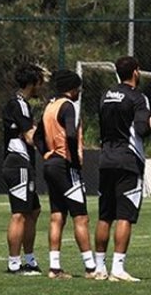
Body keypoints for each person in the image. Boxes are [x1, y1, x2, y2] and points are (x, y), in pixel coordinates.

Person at [91, 56, 151, 282]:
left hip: (105, 159)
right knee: (125, 215)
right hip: (128, 160)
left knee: (105, 215)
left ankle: (99, 268)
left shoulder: (105, 95)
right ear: (136, 72)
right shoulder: (138, 97)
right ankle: (118, 268)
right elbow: (141, 129)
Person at [40, 69, 99, 279]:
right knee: (81, 217)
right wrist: (74, 159)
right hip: (65, 165)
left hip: (50, 164)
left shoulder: (49, 106)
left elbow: (38, 135)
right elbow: (72, 135)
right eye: (79, 88)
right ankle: (91, 267)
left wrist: (45, 153)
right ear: (72, 89)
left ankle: (54, 268)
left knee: (57, 216)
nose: (80, 92)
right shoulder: (68, 106)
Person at [3, 64, 46, 276]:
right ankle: (14, 264)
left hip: (24, 164)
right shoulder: (18, 104)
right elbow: (30, 136)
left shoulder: (24, 105)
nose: (42, 85)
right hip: (17, 163)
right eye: (40, 81)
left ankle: (29, 260)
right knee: (19, 213)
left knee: (33, 210)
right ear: (32, 82)